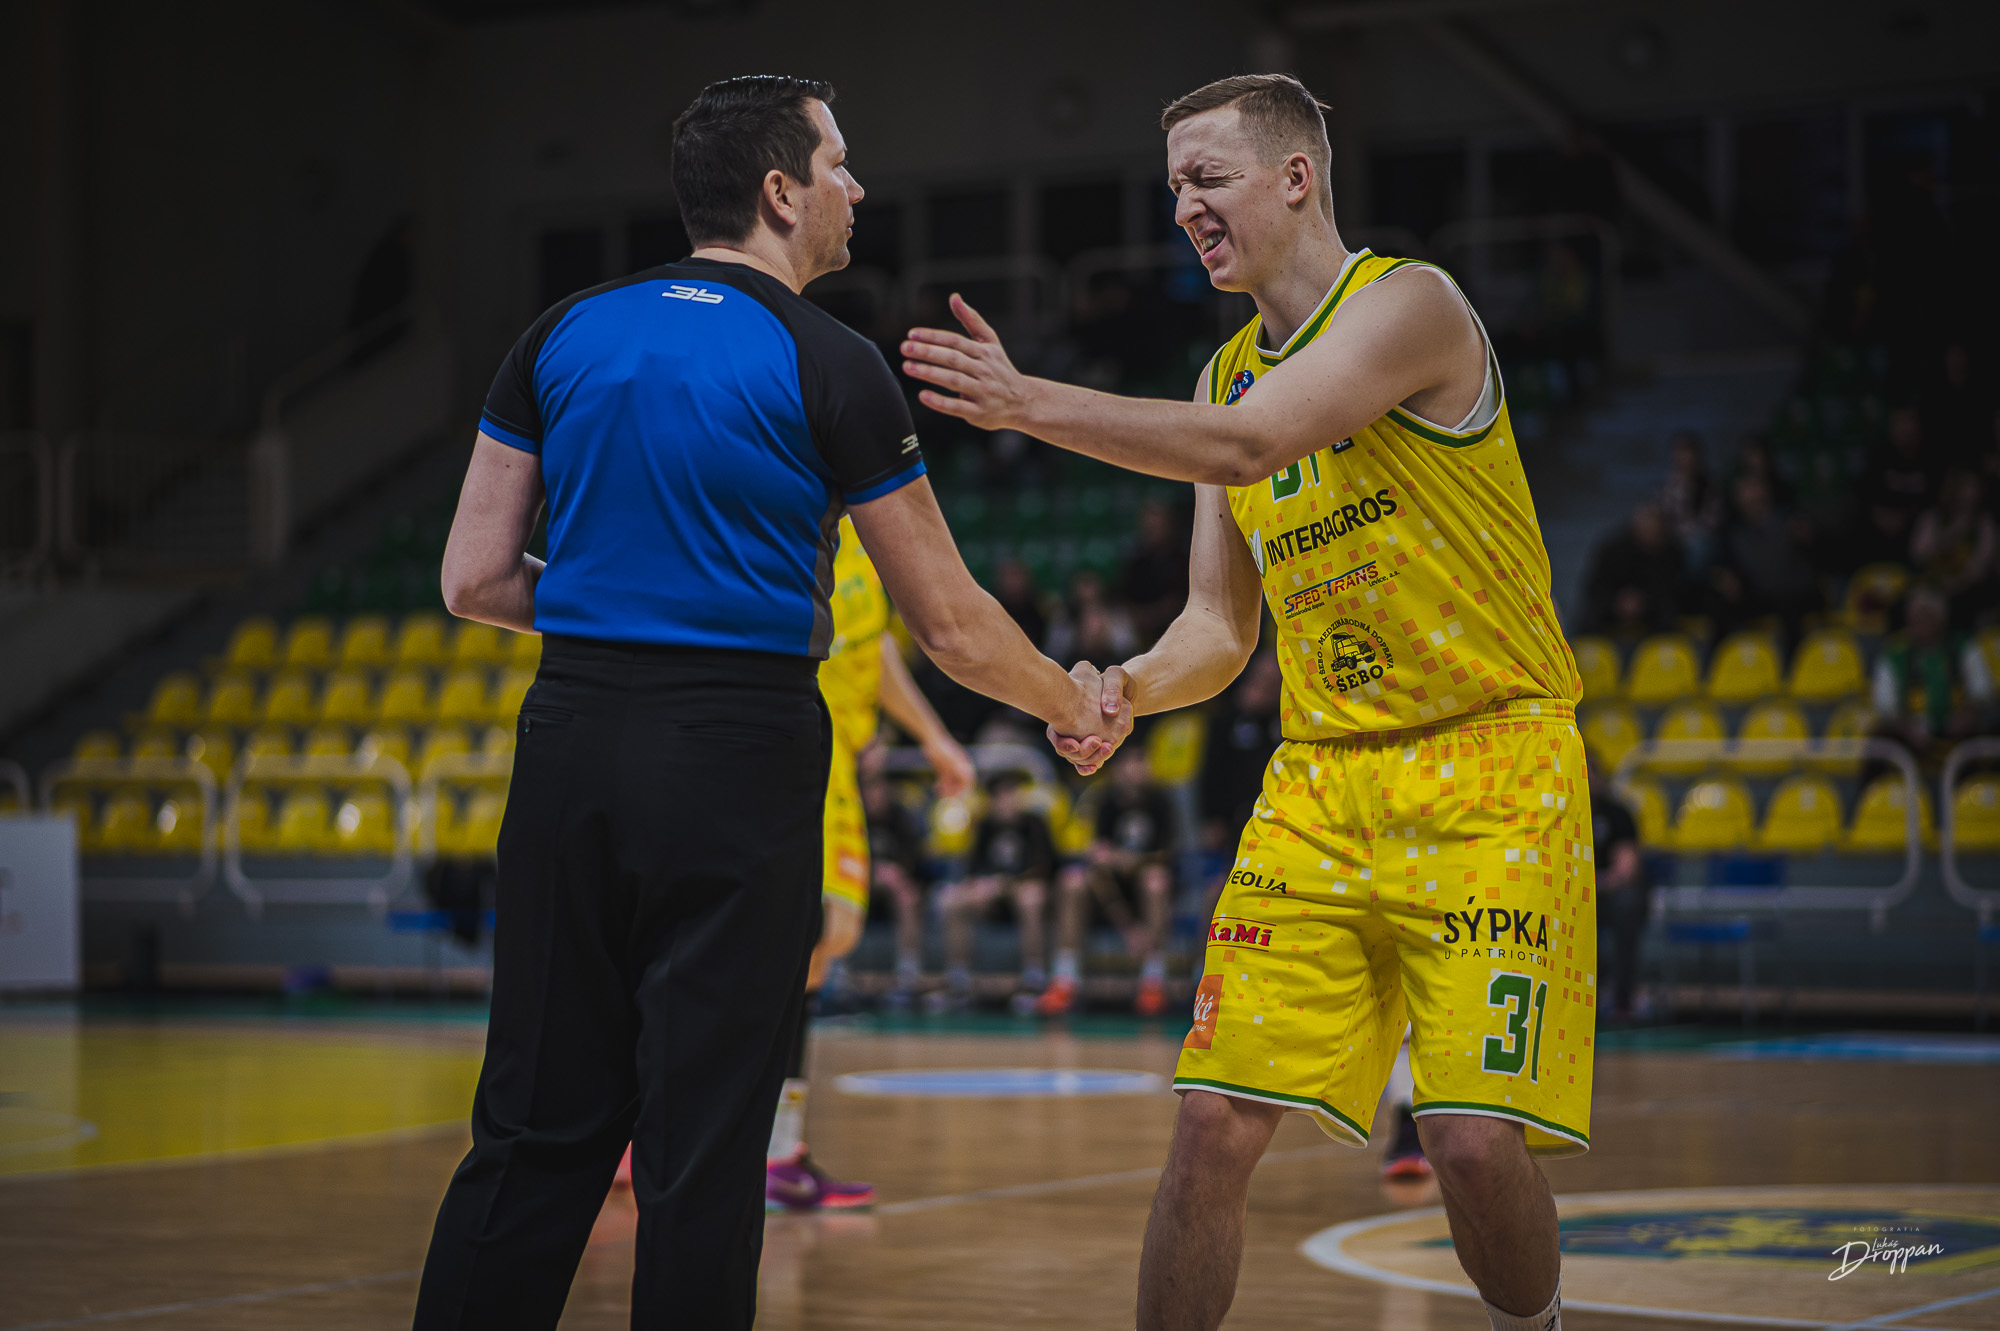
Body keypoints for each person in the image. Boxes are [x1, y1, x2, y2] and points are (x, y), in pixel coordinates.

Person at [415, 75, 1125, 1331]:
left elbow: (471, 578)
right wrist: (1069, 698)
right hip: (737, 752)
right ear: (781, 192)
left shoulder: (560, 331)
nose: (857, 186)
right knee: (702, 1149)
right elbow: (949, 623)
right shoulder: (830, 360)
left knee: (529, 1127)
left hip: (571, 730)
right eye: (839, 162)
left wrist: (614, 607)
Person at [901, 73, 1593, 1331]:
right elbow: (1219, 629)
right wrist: (1122, 688)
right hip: (1321, 778)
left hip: (1490, 763)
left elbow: (1250, 446)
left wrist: (1023, 401)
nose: (1183, 208)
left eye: (1207, 178)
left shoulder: (1409, 304)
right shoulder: (1221, 373)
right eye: (1173, 186)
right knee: (1209, 1123)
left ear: (1295, 177)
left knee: (1468, 1140)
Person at [1041, 746, 1178, 1017]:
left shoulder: (1161, 802)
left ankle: (1153, 982)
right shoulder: (1105, 800)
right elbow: (1097, 859)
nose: (1135, 769)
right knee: (1072, 881)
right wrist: (1128, 927)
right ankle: (1064, 980)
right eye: (1129, 762)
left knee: (1156, 880)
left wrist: (1129, 859)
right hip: (1109, 891)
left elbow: (1168, 855)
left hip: (1146, 888)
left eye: (1140, 761)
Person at [932, 771, 1060, 1014]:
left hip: (1027, 893)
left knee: (1030, 897)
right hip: (992, 896)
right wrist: (980, 887)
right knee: (950, 900)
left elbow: (1045, 869)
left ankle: (1034, 979)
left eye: (1013, 792)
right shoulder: (985, 825)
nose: (1009, 799)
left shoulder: (1034, 823)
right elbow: (972, 871)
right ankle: (958, 982)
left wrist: (1005, 883)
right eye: (1002, 794)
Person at [1589, 765, 1650, 1022]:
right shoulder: (1561, 814)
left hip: (1608, 893)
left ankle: (1623, 998)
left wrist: (1596, 883)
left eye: (1591, 773)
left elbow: (1626, 868)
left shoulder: (1617, 814)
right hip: (1577, 895)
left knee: (1627, 905)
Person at [1580, 502, 1687, 639]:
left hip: (1652, 606)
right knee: (1590, 615)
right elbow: (1595, 585)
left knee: (1667, 612)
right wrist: (1618, 601)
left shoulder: (1670, 552)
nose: (1648, 534)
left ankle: (1663, 651)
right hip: (1614, 604)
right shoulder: (1613, 549)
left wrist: (1644, 601)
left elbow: (1673, 586)